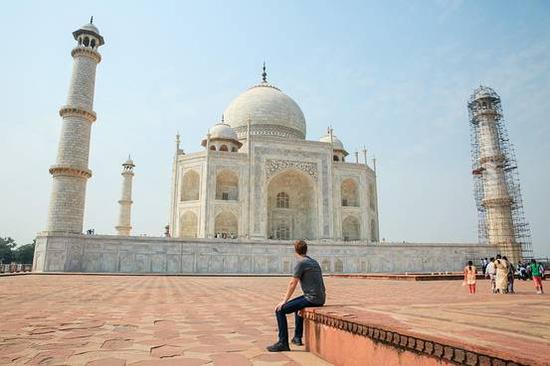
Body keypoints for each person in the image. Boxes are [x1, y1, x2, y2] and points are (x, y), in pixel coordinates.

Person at [267, 240, 326, 352]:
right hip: (321, 298)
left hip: (312, 298)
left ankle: (282, 342)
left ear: (296, 251)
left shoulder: (301, 263)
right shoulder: (314, 262)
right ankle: (297, 337)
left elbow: (292, 283)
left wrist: (284, 301)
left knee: (280, 311)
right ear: (306, 249)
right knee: (298, 307)